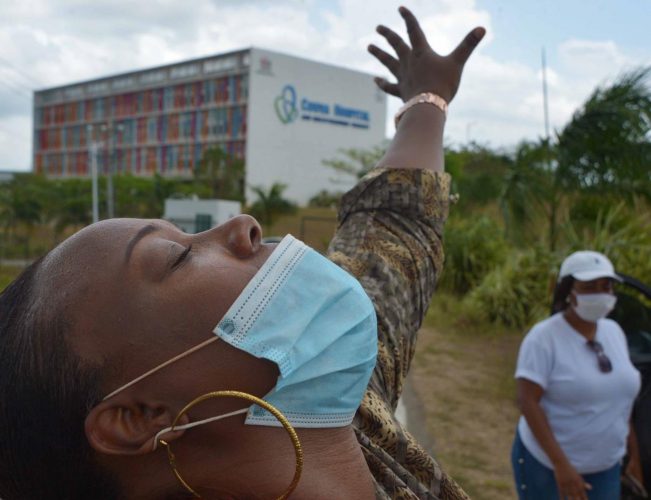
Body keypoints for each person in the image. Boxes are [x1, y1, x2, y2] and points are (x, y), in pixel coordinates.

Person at [0, 7, 485, 499]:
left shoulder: (346, 412)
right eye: (177, 257)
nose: (241, 226)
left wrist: (428, 98)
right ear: (138, 418)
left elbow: (391, 228)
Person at [512, 250, 644, 500]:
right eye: (589, 286)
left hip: (606, 467)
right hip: (548, 467)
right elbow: (527, 402)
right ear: (568, 291)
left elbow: (621, 400)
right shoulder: (543, 338)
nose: (600, 293)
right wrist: (561, 466)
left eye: (606, 286)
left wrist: (633, 455)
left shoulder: (614, 332)